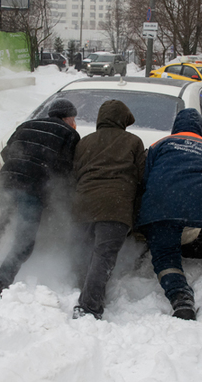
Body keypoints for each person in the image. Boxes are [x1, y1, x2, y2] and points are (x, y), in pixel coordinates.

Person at [136, 108, 202, 321]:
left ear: (176, 127)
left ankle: (180, 298)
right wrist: (198, 207)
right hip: (196, 201)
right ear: (200, 129)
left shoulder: (159, 144)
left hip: (159, 205)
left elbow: (145, 178)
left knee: (165, 255)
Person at [0, 99, 80, 295]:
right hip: (33, 186)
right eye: (73, 119)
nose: (74, 123)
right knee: (24, 241)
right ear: (67, 118)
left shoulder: (26, 125)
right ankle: (0, 282)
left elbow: (7, 153)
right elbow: (66, 170)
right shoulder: (69, 134)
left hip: (7, 180)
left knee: (4, 222)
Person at [70, 99, 146, 319]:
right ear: (123, 120)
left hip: (83, 203)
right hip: (116, 206)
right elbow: (142, 176)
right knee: (103, 255)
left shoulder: (85, 142)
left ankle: (82, 288)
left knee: (84, 249)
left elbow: (76, 173)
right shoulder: (133, 141)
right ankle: (89, 306)